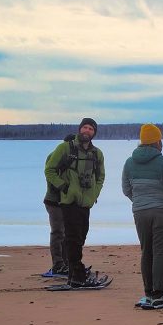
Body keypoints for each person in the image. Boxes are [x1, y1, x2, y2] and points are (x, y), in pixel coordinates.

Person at [121, 123, 163, 307]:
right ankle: (158, 292)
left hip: (140, 213)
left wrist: (139, 201)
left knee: (146, 251)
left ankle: (148, 290)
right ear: (157, 141)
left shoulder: (129, 163)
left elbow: (126, 189)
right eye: (160, 140)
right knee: (160, 253)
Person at [43, 117, 106, 287]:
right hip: (68, 201)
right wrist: (63, 187)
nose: (87, 131)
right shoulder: (65, 148)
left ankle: (73, 273)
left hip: (86, 202)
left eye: (91, 129)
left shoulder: (97, 153)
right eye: (85, 127)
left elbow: (100, 176)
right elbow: (49, 170)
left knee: (80, 236)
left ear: (94, 133)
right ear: (80, 129)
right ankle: (77, 275)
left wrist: (95, 193)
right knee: (71, 237)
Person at [41, 141, 70, 278]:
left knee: (67, 233)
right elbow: (50, 177)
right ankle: (58, 265)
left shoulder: (73, 157)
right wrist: (62, 188)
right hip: (54, 201)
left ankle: (67, 263)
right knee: (58, 233)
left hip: (66, 202)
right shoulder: (55, 157)